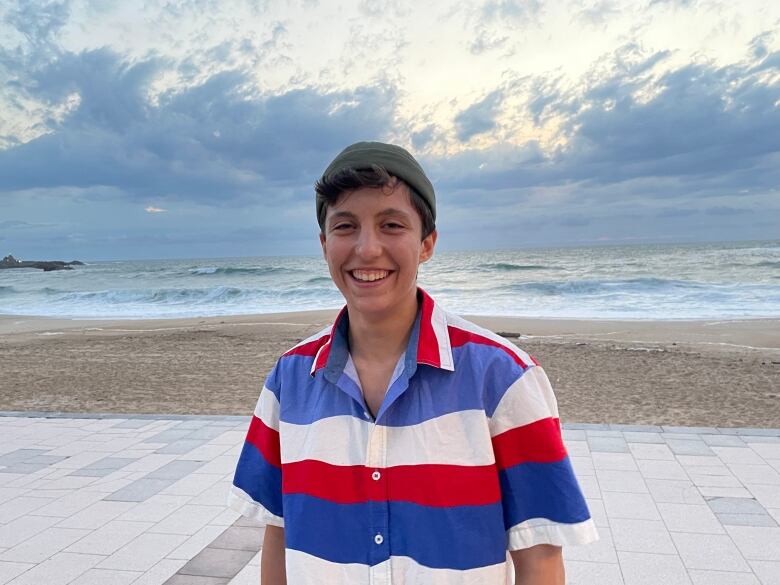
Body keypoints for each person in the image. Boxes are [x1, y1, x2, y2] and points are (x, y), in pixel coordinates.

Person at [228, 141, 598, 584]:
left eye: (391, 225)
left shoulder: (503, 377)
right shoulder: (289, 379)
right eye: (346, 226)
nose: (367, 249)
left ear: (427, 244)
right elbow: (278, 533)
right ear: (325, 244)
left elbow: (540, 559)